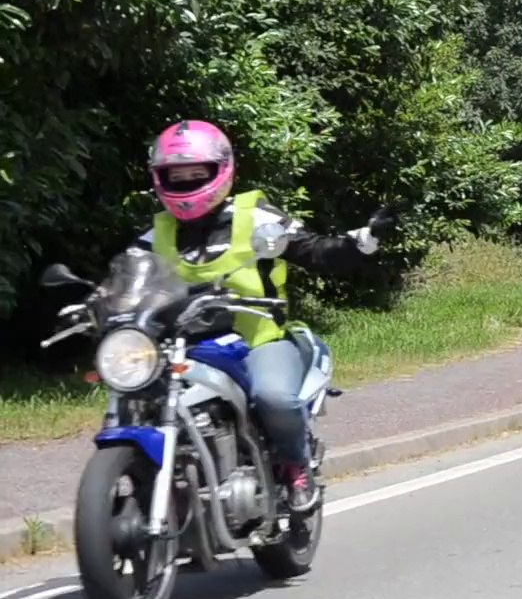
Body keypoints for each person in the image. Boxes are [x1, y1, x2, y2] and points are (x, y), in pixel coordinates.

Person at [131, 120, 397, 512]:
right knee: (136, 393)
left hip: (258, 342)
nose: (186, 183)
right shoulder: (158, 235)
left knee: (272, 396)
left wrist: (364, 240)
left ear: (220, 171)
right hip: (185, 351)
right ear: (160, 178)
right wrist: (93, 302)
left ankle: (295, 466)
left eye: (196, 174)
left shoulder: (253, 217)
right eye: (177, 176)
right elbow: (126, 282)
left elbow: (314, 250)